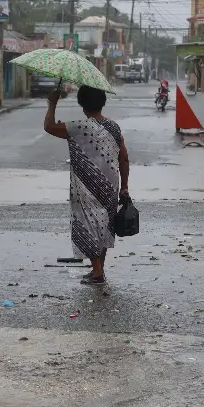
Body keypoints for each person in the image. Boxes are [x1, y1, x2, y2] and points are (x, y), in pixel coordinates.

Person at [43, 85, 130, 285]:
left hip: (85, 184)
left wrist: (52, 103)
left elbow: (48, 126)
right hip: (109, 183)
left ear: (82, 104)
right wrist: (124, 185)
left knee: (88, 224)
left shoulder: (76, 127)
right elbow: (124, 157)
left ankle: (98, 272)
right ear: (103, 102)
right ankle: (98, 269)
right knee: (105, 224)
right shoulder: (114, 127)